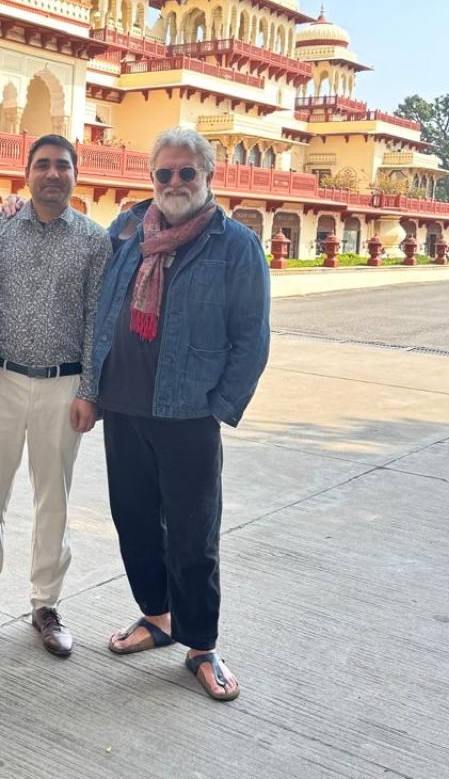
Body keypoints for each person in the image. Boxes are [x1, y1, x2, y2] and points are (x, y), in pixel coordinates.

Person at [93, 127, 270, 701]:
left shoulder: (234, 244)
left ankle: (201, 643)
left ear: (209, 176)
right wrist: (92, 390)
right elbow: (100, 309)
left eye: (186, 172)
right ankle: (159, 617)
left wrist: (217, 407)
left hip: (188, 414)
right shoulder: (128, 230)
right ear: (152, 177)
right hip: (124, 406)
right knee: (136, 523)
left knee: (193, 535)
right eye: (164, 173)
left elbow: (252, 337)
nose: (174, 183)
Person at [0, 135, 110, 658]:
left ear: (74, 174)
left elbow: (95, 320)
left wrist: (90, 390)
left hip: (63, 384)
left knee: (54, 500)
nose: (51, 174)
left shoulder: (93, 240)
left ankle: (46, 603)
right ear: (26, 174)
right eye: (42, 165)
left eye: (62, 165)